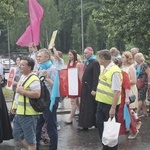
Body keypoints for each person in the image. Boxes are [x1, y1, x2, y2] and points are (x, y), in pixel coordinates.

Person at [11, 56, 41, 150]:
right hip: (20, 113)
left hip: (29, 114)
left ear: (29, 67)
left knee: (30, 140)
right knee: (17, 135)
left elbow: (37, 94)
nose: (20, 66)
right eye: (20, 64)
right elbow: (17, 95)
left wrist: (23, 91)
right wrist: (14, 106)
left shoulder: (34, 79)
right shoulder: (23, 77)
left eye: (23, 65)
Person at [95, 50, 122, 150]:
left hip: (109, 104)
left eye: (99, 58)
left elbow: (117, 91)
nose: (98, 60)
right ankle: (105, 146)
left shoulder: (114, 71)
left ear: (103, 59)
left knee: (110, 130)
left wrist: (113, 108)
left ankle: (112, 148)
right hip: (101, 102)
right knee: (100, 124)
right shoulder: (106, 69)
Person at [36, 48, 58, 150]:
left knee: (50, 126)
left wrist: (46, 78)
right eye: (37, 56)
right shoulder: (40, 68)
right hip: (41, 101)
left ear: (47, 57)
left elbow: (56, 86)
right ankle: (35, 146)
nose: (38, 58)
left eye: (40, 56)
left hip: (50, 101)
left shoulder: (52, 69)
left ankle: (53, 148)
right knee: (37, 125)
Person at [113, 57, 139, 139]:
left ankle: (134, 130)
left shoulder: (123, 74)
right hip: (117, 97)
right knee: (122, 115)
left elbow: (127, 87)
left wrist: (127, 98)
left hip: (122, 98)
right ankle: (125, 130)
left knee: (124, 114)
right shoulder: (116, 73)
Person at [77, 47, 100, 131]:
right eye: (84, 53)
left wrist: (94, 88)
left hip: (90, 87)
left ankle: (89, 123)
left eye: (86, 53)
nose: (84, 54)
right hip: (85, 87)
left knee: (90, 107)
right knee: (84, 105)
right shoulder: (87, 62)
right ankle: (84, 123)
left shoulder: (95, 62)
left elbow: (96, 76)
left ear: (91, 53)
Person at [121, 51, 142, 131]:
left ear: (127, 58)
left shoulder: (131, 68)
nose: (122, 58)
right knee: (126, 109)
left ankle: (137, 121)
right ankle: (128, 125)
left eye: (123, 57)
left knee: (131, 109)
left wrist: (124, 82)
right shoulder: (123, 67)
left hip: (130, 89)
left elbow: (134, 81)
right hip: (124, 89)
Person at [65, 50, 83, 124]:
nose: (69, 56)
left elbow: (80, 75)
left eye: (71, 55)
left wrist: (83, 85)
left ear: (74, 55)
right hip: (71, 84)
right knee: (77, 102)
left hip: (76, 84)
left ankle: (70, 118)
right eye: (69, 54)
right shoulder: (69, 63)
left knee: (73, 102)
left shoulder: (78, 64)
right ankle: (82, 114)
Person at [50, 45, 65, 109]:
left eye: (56, 54)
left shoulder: (60, 60)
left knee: (60, 90)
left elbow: (57, 56)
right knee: (56, 89)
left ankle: (61, 104)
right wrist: (49, 48)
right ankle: (59, 103)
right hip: (56, 74)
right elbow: (50, 55)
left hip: (60, 75)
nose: (55, 55)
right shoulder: (55, 60)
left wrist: (53, 48)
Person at [9, 56, 22, 122]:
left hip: (21, 89)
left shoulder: (22, 69)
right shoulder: (14, 69)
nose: (18, 62)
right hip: (15, 89)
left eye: (19, 60)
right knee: (14, 102)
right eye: (16, 60)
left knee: (16, 102)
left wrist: (16, 83)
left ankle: (11, 117)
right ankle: (11, 117)